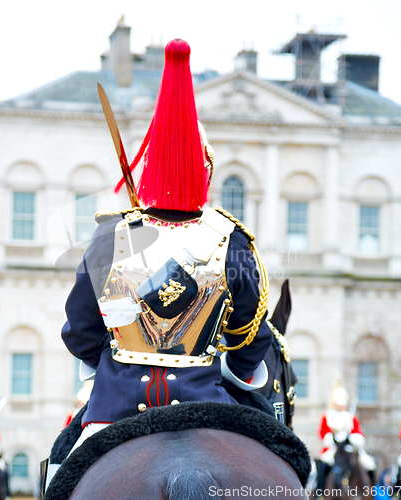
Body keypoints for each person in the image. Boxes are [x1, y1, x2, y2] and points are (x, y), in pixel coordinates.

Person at [61, 38, 273, 455]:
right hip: (206, 404)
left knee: (58, 472)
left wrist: (118, 355)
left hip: (113, 406)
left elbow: (80, 331)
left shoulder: (111, 237)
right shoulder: (232, 241)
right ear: (205, 171)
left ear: (148, 167)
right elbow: (253, 338)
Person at [315, 375, 376, 493]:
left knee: (370, 465)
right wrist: (336, 437)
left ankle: (372, 491)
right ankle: (320, 491)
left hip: (349, 447)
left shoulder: (350, 417)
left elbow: (359, 434)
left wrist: (350, 438)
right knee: (322, 465)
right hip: (333, 448)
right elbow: (323, 435)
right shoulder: (327, 416)